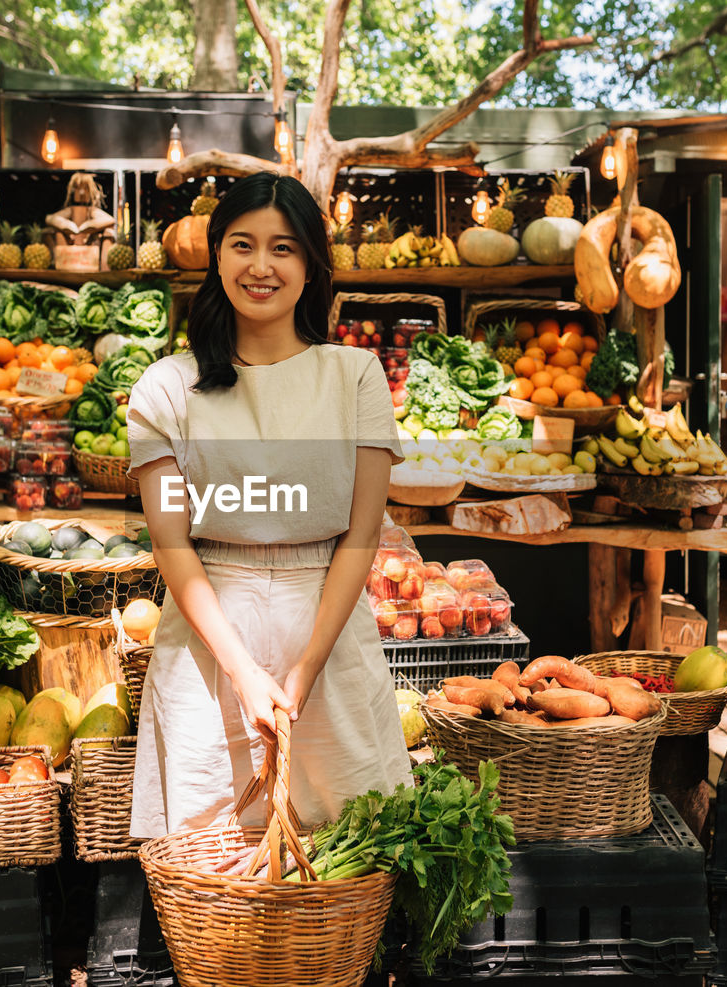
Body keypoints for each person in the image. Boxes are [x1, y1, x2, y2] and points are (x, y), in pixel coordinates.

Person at [125, 172, 413, 837]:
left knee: (346, 857)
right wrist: (245, 674)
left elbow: (360, 538)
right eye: (243, 245)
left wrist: (305, 666)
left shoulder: (355, 377)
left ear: (312, 265)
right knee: (209, 862)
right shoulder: (167, 387)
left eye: (283, 248)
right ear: (216, 253)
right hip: (207, 653)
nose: (261, 266)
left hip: (330, 642)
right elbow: (174, 546)